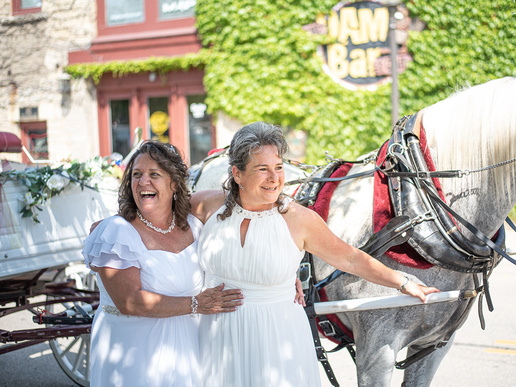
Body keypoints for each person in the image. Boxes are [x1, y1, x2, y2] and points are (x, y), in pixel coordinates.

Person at [190, 121, 440, 386]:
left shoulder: (298, 219)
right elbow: (164, 234)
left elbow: (350, 258)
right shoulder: (206, 205)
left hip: (276, 339)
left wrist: (404, 282)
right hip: (216, 336)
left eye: (278, 167)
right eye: (262, 169)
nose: (274, 178)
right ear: (237, 174)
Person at [82, 141, 243, 387]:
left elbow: (249, 209)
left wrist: (286, 276)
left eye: (154, 174)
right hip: (133, 354)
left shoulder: (195, 225)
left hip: (188, 348)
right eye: (137, 175)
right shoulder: (116, 232)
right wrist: (196, 304)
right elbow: (129, 301)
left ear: (174, 183)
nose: (143, 181)